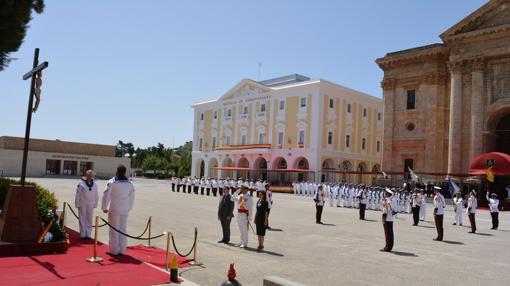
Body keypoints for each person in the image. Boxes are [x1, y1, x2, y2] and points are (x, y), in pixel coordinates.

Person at [101, 165, 135, 256]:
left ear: (117, 171)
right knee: (123, 229)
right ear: (125, 172)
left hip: (115, 208)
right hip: (125, 208)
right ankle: (122, 250)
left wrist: (104, 207)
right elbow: (132, 197)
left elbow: (106, 195)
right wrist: (129, 207)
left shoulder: (112, 182)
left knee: (114, 229)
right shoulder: (130, 183)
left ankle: (114, 250)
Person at [74, 169, 99, 240]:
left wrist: (96, 203)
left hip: (91, 203)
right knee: (82, 218)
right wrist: (77, 204)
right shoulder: (81, 183)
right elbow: (77, 194)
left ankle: (88, 234)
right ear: (86, 175)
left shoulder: (95, 184)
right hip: (82, 203)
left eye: (91, 175)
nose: (90, 176)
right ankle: (82, 234)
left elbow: (96, 194)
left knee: (89, 219)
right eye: (88, 175)